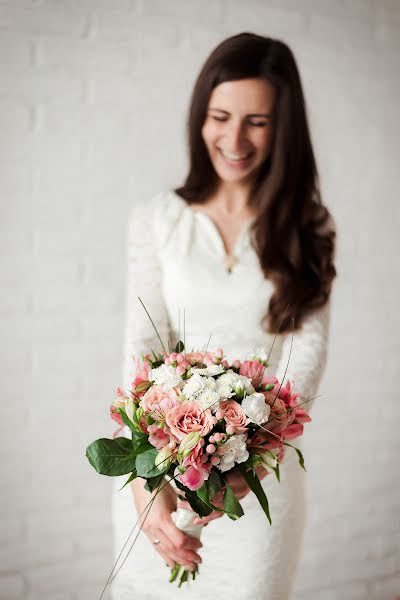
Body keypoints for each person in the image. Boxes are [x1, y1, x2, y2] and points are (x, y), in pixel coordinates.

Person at [110, 32, 336, 600]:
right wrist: (145, 481)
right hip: (160, 471)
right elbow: (144, 343)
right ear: (199, 118)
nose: (234, 139)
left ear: (283, 127)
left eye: (257, 121)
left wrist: (245, 470)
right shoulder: (156, 220)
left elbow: (304, 360)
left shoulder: (309, 228)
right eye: (220, 116)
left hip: (262, 483)